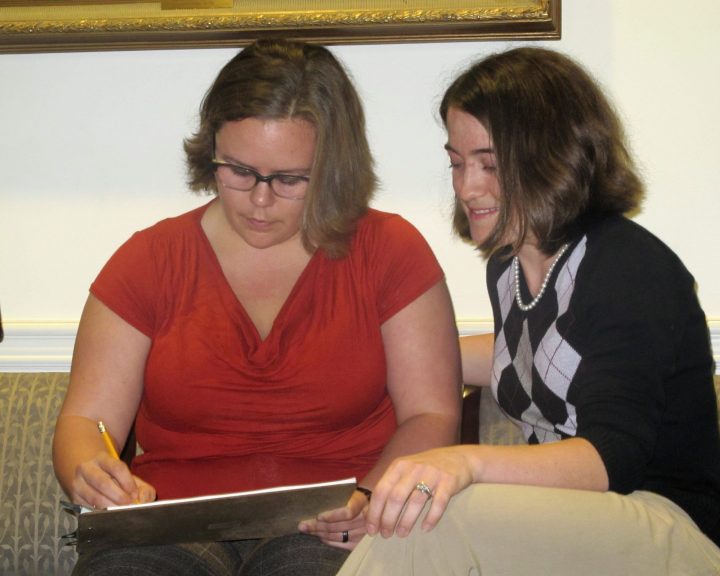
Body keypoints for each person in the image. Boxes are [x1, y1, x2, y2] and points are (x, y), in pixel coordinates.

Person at [337, 47, 720, 576]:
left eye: (489, 163)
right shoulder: (509, 270)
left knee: (439, 516)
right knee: (423, 519)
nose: (466, 186)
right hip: (585, 531)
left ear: (551, 155)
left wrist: (462, 462)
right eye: (456, 162)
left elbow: (610, 458)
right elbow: (523, 358)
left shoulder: (628, 266)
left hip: (678, 535)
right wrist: (367, 353)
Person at [52, 39, 462, 576]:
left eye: (289, 179)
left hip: (337, 525)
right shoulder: (149, 260)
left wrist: (372, 496)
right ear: (211, 151)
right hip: (170, 525)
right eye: (239, 171)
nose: (260, 200)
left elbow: (430, 414)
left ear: (333, 165)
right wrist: (88, 468)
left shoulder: (389, 251)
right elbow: (86, 419)